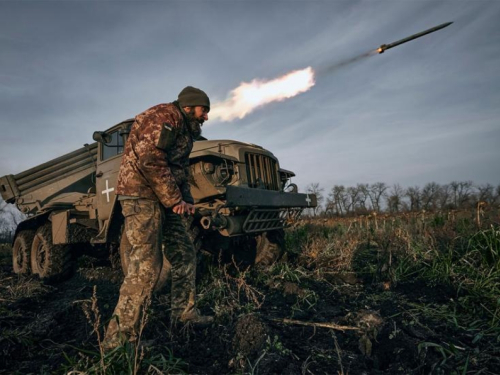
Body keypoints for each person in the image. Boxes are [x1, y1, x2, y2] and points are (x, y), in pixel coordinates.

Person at [104, 86, 213, 349]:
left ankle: (183, 314)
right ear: (189, 106)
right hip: (141, 195)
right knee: (146, 266)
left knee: (185, 253)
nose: (206, 117)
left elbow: (180, 169)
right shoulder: (164, 117)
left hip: (163, 198)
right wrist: (174, 199)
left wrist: (185, 201)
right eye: (203, 110)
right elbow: (150, 160)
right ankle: (118, 340)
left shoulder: (185, 129)